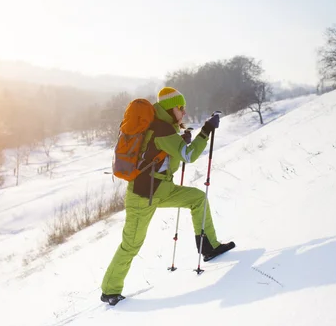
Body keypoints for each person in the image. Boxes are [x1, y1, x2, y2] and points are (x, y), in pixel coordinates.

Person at [100, 87, 235, 305]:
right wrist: (205, 131)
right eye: (181, 108)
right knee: (132, 244)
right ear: (171, 109)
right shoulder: (162, 130)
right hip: (143, 197)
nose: (184, 112)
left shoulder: (163, 127)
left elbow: (168, 155)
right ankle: (110, 290)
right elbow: (188, 156)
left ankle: (209, 247)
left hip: (162, 191)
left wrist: (182, 142)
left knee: (197, 198)